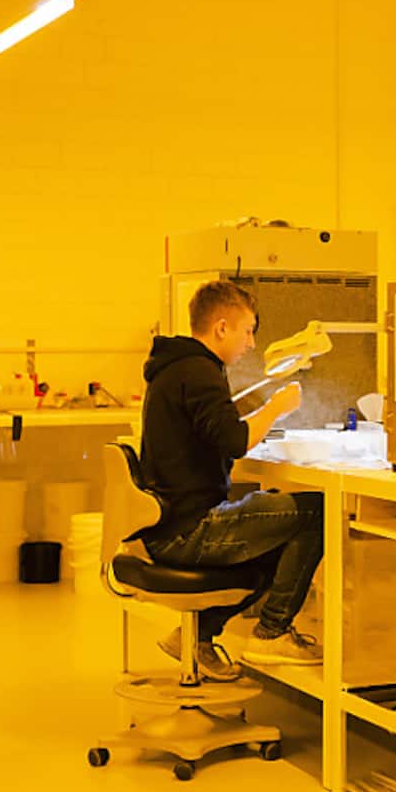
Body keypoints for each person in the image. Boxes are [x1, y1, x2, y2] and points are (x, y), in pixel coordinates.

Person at [135, 279, 324, 681]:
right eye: (248, 331)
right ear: (222, 327)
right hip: (189, 531)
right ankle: (272, 633)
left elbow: (218, 430)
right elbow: (235, 441)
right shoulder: (199, 371)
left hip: (167, 525)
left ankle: (197, 636)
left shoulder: (178, 367)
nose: (251, 344)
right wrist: (275, 408)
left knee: (276, 529)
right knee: (316, 513)